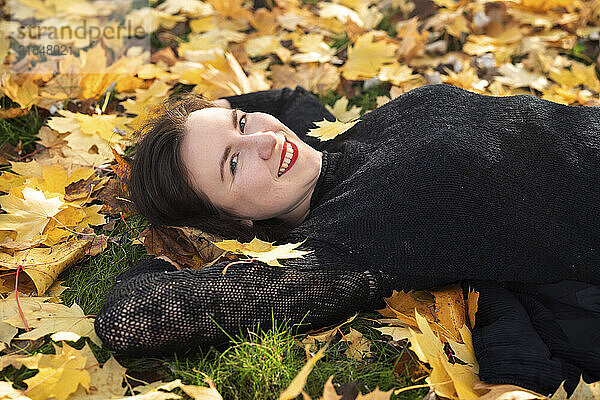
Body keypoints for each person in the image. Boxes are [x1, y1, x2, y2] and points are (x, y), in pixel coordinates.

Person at [95, 84, 600, 396]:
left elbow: (284, 100)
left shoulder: (331, 140)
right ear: (235, 224)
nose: (266, 140)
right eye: (232, 161)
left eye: (242, 125)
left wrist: (210, 117)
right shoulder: (350, 240)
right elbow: (128, 320)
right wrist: (163, 257)